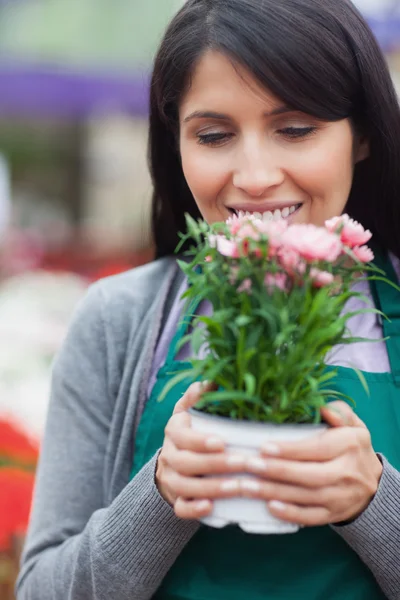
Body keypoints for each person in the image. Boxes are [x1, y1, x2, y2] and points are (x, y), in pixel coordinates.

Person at [16, 1, 400, 598]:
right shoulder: (118, 320)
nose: (253, 175)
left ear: (364, 137)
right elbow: (42, 589)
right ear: (177, 145)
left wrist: (376, 502)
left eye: (295, 129)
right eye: (214, 135)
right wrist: (162, 495)